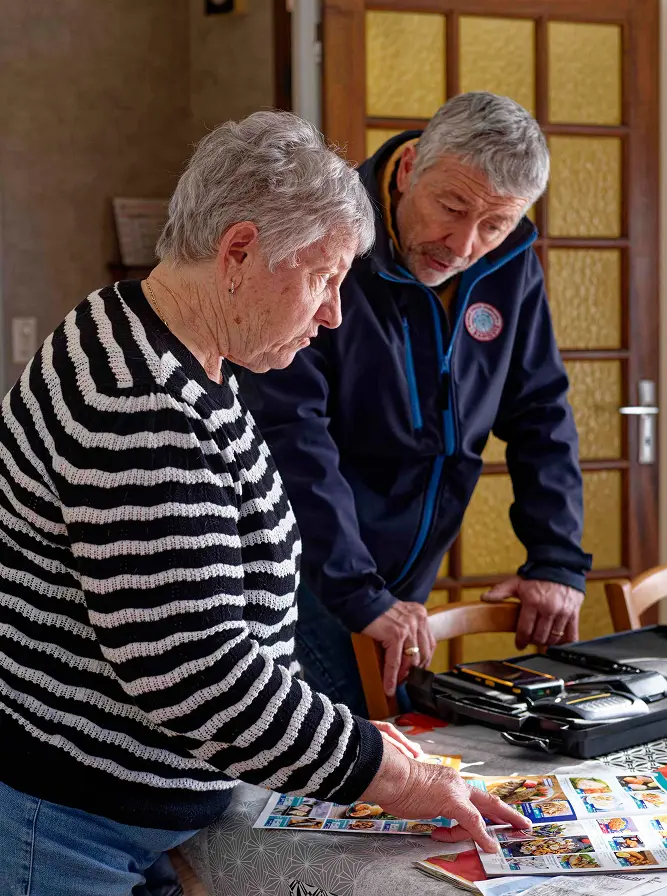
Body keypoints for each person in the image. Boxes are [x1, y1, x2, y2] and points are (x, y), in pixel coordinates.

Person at [0, 111, 529, 895]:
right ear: (239, 251)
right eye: (321, 278)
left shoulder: (177, 347)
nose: (333, 314)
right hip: (76, 823)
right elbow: (197, 674)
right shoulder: (138, 403)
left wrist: (341, 740)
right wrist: (380, 770)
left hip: (136, 809)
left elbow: (218, 614)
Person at [238, 93, 591, 716]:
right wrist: (358, 591)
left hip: (408, 570)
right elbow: (291, 430)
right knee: (336, 766)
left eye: (494, 224)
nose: (462, 245)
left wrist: (557, 558)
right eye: (450, 207)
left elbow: (539, 410)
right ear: (407, 172)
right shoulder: (329, 239)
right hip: (311, 564)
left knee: (390, 755)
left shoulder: (509, 262)